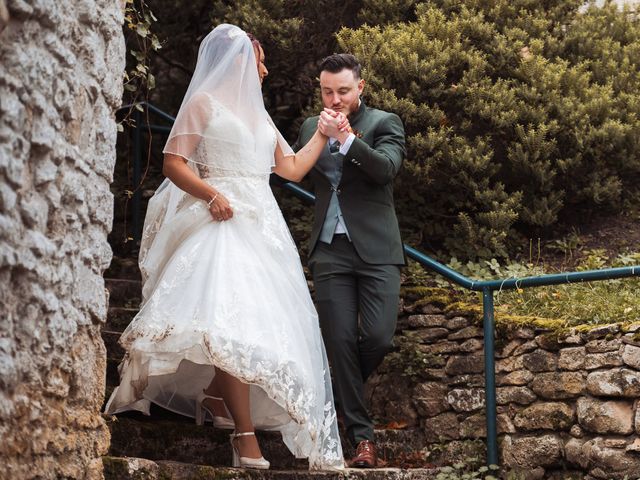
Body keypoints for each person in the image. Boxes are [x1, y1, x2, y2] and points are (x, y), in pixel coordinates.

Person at [105, 24, 344, 471]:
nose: (266, 68)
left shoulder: (259, 116)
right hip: (221, 219)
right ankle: (244, 433)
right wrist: (210, 194)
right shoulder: (203, 105)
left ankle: (217, 396)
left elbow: (290, 169)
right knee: (228, 320)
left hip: (263, 227)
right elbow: (173, 163)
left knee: (251, 322)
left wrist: (323, 134)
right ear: (239, 59)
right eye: (260, 58)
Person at [293, 53, 406, 468]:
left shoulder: (384, 123)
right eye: (327, 91)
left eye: (343, 90)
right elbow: (294, 169)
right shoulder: (310, 126)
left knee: (377, 337)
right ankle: (363, 438)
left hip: (377, 251)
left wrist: (346, 139)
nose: (335, 98)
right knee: (338, 339)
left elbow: (386, 170)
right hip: (329, 251)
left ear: (361, 87)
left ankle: (336, 393)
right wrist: (321, 137)